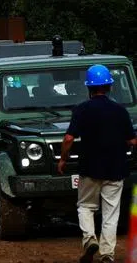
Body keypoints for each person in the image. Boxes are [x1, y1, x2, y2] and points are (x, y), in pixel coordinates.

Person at [58, 64, 137, 263]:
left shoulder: (82, 110)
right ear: (109, 86)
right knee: (111, 213)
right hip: (116, 169)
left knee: (85, 207)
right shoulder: (120, 111)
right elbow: (132, 141)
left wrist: (63, 159)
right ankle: (107, 254)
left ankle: (89, 239)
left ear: (89, 87)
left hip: (89, 168)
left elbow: (68, 138)